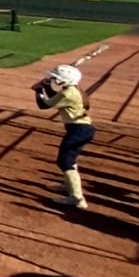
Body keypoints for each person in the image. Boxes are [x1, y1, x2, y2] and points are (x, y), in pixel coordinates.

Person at [33, 64, 93, 210]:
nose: (54, 79)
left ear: (65, 80)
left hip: (78, 130)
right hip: (82, 129)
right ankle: (70, 186)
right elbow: (55, 98)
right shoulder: (71, 90)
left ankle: (77, 199)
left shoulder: (68, 94)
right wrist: (46, 87)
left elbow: (44, 105)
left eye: (56, 78)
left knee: (64, 161)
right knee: (69, 159)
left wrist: (38, 90)